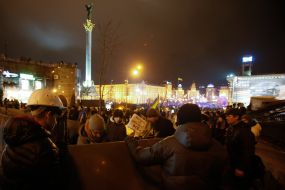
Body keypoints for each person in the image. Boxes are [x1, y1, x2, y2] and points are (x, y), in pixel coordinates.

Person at [125, 103, 228, 190]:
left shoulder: (169, 143)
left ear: (180, 120)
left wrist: (131, 141)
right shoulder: (218, 146)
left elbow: (142, 157)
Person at [1, 88, 65, 190]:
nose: (56, 122)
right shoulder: (45, 148)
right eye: (56, 117)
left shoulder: (16, 135)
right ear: (48, 115)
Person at [224, 108, 256, 189]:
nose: (226, 118)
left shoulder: (244, 131)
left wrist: (241, 168)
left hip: (239, 165)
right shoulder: (233, 128)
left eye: (229, 116)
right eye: (226, 116)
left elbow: (248, 151)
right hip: (232, 163)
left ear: (237, 117)